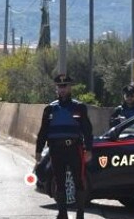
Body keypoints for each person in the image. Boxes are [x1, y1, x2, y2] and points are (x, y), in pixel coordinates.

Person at [35, 74, 93, 219]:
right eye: (60, 87)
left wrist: (89, 149)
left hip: (74, 149)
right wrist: (38, 150)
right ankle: (62, 213)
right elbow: (43, 131)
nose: (62, 89)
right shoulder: (50, 109)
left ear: (70, 87)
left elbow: (87, 130)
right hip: (56, 150)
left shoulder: (79, 107)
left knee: (79, 180)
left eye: (65, 86)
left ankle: (80, 214)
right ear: (56, 89)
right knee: (59, 181)